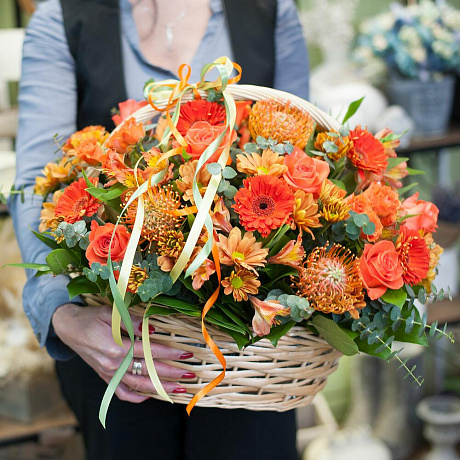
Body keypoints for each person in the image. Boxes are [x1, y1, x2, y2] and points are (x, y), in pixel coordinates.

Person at [10, 0, 310, 458]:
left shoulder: (268, 10)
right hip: (114, 333)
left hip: (251, 346)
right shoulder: (62, 17)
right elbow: (36, 184)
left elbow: (310, 158)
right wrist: (62, 314)